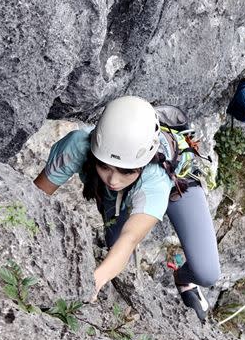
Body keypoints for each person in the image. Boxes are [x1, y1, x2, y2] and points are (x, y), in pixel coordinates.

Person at [33, 96, 220, 321]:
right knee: (117, 256)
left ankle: (183, 277)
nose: (113, 179)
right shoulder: (78, 145)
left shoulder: (155, 179)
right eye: (104, 166)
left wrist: (92, 283)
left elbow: (130, 237)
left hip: (177, 185)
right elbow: (35, 197)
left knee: (206, 273)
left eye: (125, 171)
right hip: (120, 194)